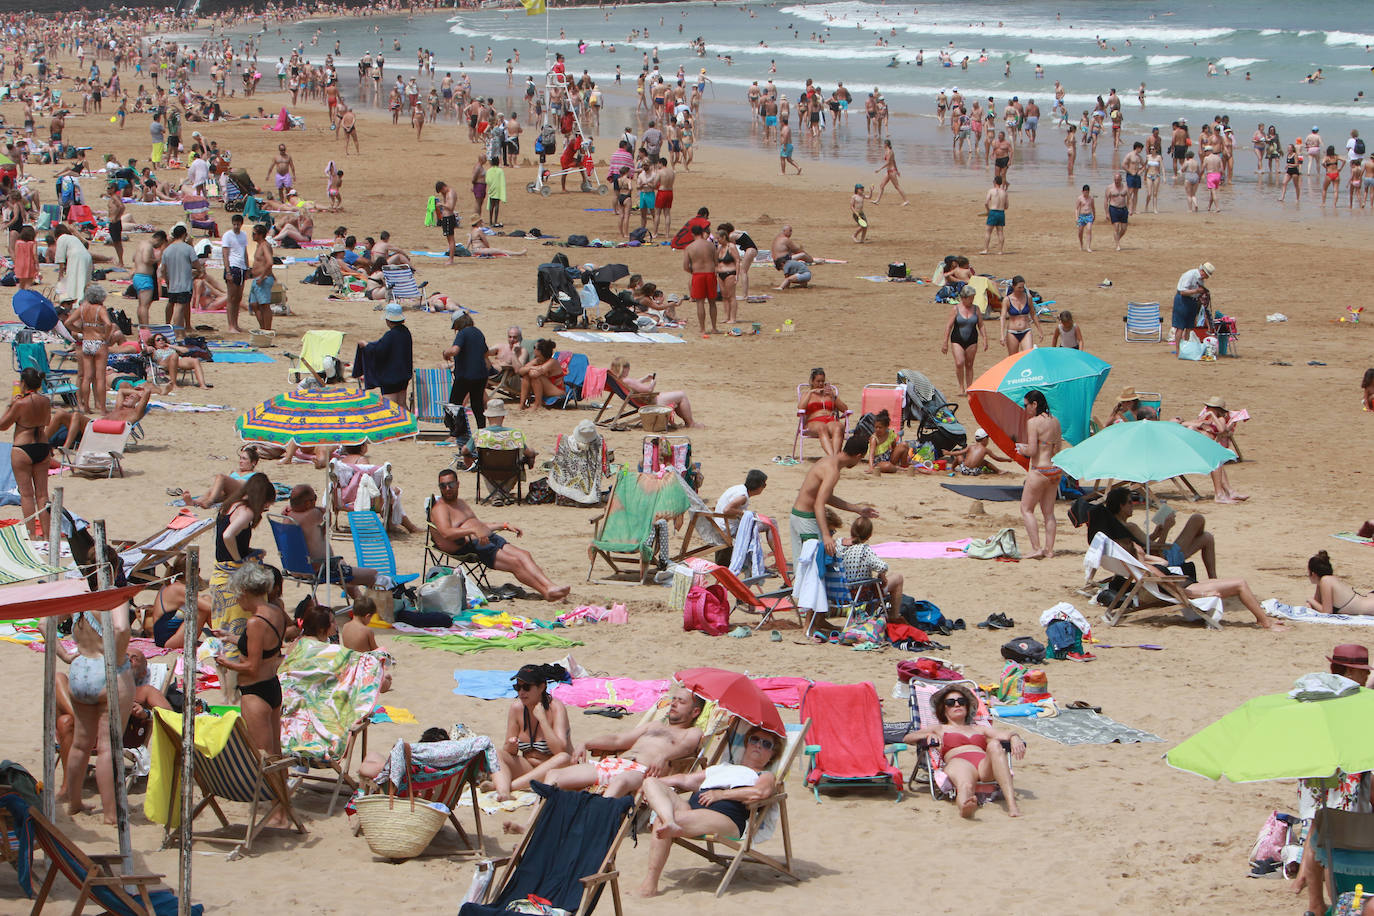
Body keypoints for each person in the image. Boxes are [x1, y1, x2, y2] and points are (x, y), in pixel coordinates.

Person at [637, 725, 782, 898]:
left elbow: (761, 793)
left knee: (661, 819)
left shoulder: (764, 776)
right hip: (692, 810)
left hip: (727, 818)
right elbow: (684, 779)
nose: (759, 745)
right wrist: (647, 785)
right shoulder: (723, 767)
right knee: (651, 782)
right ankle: (669, 820)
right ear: (747, 743)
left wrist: (721, 794)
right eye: (755, 740)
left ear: (772, 755)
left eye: (767, 744)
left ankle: (650, 884)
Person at [429, 468, 570, 601]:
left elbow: (479, 525)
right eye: (443, 486)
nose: (447, 489)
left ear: (458, 484)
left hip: (486, 537)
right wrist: (472, 531)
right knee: (515, 563)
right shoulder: (441, 508)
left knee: (524, 555)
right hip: (474, 546)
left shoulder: (461, 503)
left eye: (451, 484)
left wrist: (503, 525)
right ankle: (546, 592)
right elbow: (446, 533)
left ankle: (550, 585)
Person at [545, 686, 704, 798]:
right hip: (615, 764)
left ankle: (594, 819)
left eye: (681, 702)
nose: (673, 704)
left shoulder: (692, 732)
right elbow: (618, 740)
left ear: (695, 712)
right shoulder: (654, 725)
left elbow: (687, 746)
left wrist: (664, 756)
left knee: (620, 781)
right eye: (673, 699)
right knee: (554, 775)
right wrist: (586, 743)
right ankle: (532, 827)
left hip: (642, 773)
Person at [55, 604, 134, 824]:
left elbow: (45, 624)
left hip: (81, 668)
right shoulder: (112, 597)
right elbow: (121, 629)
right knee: (108, 747)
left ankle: (75, 802)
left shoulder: (79, 598)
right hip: (107, 668)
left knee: (81, 744)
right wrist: (117, 660)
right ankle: (110, 812)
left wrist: (64, 655)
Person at [904, 684, 1025, 818]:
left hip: (984, 766)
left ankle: (1012, 805)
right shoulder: (939, 729)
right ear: (943, 709)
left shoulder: (979, 728)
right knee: (966, 784)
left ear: (967, 706)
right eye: (950, 702)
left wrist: (1015, 737)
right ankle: (965, 807)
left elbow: (1004, 734)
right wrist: (926, 735)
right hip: (958, 762)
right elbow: (908, 738)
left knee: (995, 744)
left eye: (961, 701)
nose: (957, 705)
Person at [215, 563, 289, 772]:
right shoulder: (276, 611)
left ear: (246, 592)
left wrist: (224, 662)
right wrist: (231, 638)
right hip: (272, 686)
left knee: (262, 755)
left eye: (238, 595)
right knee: (276, 753)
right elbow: (265, 647)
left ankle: (274, 801)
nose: (237, 600)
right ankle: (282, 803)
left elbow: (251, 666)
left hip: (255, 692)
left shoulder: (254, 622)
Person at [208, 474, 275, 700]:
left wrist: (249, 552)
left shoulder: (229, 506)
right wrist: (241, 562)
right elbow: (229, 536)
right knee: (235, 634)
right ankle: (232, 694)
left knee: (222, 634)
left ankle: (225, 692)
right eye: (266, 503)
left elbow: (224, 539)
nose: (265, 508)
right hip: (231, 578)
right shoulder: (246, 510)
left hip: (219, 574)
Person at [1085, 486, 1218, 579]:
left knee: (1207, 537)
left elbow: (1142, 545)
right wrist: (1166, 529)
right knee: (1197, 519)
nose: (1133, 505)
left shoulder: (1116, 527)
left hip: (1149, 561)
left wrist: (1155, 533)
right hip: (1163, 561)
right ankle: (1213, 579)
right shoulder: (1130, 526)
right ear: (1121, 506)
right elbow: (1154, 549)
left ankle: (1213, 579)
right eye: (1130, 502)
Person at [791, 430, 878, 561]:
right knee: (811, 567)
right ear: (858, 456)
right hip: (805, 519)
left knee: (803, 565)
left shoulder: (828, 460)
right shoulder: (833, 471)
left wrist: (857, 509)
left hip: (797, 515)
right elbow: (819, 503)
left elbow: (827, 498)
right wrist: (826, 536)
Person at [283, 483, 379, 600]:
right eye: (315, 498)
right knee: (373, 575)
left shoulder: (287, 518)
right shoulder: (313, 515)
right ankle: (368, 610)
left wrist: (293, 507)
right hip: (320, 569)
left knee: (341, 564)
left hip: (295, 568)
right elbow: (327, 515)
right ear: (308, 503)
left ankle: (359, 599)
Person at [493, 663, 573, 800]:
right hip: (528, 768)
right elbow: (508, 752)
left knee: (563, 758)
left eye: (526, 687)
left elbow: (560, 751)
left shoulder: (556, 708)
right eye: (518, 687)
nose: (521, 692)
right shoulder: (516, 708)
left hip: (554, 771)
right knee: (496, 754)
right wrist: (511, 746)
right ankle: (503, 792)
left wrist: (543, 720)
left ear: (541, 687)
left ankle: (510, 787)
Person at [1, 368, 54, 538]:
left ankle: (31, 534)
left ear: (23, 383)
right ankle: (46, 535)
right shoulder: (45, 401)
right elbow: (47, 421)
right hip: (43, 446)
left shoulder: (20, 403)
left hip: (23, 448)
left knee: (26, 494)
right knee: (42, 494)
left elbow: (3, 425)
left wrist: (11, 404)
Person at [1016, 391, 1062, 560]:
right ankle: (1049, 550)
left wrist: (1022, 448)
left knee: (1026, 509)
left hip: (1039, 470)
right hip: (1054, 469)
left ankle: (1036, 548)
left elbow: (1032, 451)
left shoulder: (1033, 422)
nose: (1025, 408)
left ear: (1034, 404)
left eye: (1026, 405)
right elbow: (1058, 449)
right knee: (1048, 512)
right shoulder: (1055, 421)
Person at [838, 515, 904, 617]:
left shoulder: (839, 545)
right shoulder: (864, 550)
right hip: (861, 595)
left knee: (870, 585)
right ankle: (894, 617)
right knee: (898, 578)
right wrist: (882, 575)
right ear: (869, 535)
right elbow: (883, 566)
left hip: (841, 593)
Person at [1185, 396, 1246, 503]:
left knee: (1217, 462)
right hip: (1200, 448)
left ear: (1218, 410)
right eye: (1207, 406)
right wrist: (1201, 424)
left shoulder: (1220, 419)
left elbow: (1222, 429)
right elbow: (1184, 424)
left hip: (1208, 447)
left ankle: (1228, 492)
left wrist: (1212, 416)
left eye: (1210, 407)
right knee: (1216, 461)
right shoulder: (1204, 419)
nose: (1207, 408)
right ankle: (1222, 494)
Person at [64, 285, 114, 414]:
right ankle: (102, 408)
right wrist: (106, 336)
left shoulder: (82, 308)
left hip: (87, 341)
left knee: (86, 376)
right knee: (100, 377)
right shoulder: (100, 309)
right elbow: (109, 324)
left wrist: (80, 331)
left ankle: (86, 406)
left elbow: (68, 323)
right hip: (99, 342)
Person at [145, 555, 213, 650]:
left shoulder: (171, 584)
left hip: (164, 637)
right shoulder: (179, 589)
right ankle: (222, 637)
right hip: (168, 640)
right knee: (202, 609)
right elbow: (210, 608)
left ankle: (221, 635)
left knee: (206, 598)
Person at [609, 356, 697, 427]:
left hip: (645, 400)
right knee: (682, 395)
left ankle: (688, 422)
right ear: (624, 368)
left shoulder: (620, 380)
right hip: (652, 401)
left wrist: (644, 379)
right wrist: (653, 382)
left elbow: (633, 387)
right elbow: (649, 390)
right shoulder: (628, 380)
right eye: (628, 367)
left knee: (677, 397)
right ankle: (691, 423)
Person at [362, 303, 413, 408]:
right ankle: (408, 424)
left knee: (390, 406)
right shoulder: (405, 332)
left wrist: (366, 346)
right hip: (403, 375)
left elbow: (378, 350)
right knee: (402, 403)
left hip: (391, 378)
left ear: (388, 320)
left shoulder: (390, 335)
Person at [179, 445, 262, 509]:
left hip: (241, 492)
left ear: (253, 462)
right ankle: (195, 501)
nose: (240, 461)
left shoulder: (255, 475)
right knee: (217, 488)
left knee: (221, 477)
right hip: (228, 495)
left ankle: (209, 502)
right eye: (240, 458)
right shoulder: (234, 472)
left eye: (244, 459)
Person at [443, 312, 488, 429]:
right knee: (477, 405)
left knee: (454, 404)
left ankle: (455, 432)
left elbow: (455, 350)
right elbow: (486, 353)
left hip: (465, 375)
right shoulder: (478, 332)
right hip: (481, 375)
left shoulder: (462, 333)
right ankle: (481, 430)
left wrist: (445, 353)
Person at [942, 285, 986, 395]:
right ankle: (961, 386)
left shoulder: (976, 309)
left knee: (969, 364)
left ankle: (969, 387)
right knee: (959, 362)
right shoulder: (956, 309)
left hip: (972, 339)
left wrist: (985, 339)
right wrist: (945, 342)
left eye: (973, 297)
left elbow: (981, 325)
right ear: (964, 298)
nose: (972, 300)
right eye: (970, 298)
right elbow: (949, 326)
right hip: (957, 339)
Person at [159, 224, 201, 331]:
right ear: (184, 235)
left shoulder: (167, 250)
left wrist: (168, 281)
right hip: (184, 284)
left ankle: (168, 324)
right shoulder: (188, 248)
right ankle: (178, 328)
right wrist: (199, 271)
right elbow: (196, 264)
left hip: (172, 283)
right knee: (181, 306)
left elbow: (163, 269)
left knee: (171, 303)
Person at [798, 367, 847, 456]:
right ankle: (831, 456)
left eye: (822, 381)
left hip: (830, 420)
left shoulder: (830, 395)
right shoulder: (807, 395)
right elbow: (800, 408)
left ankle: (835, 456)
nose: (821, 384)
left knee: (838, 427)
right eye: (818, 381)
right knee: (822, 427)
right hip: (814, 422)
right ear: (812, 382)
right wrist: (810, 393)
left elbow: (845, 409)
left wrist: (833, 396)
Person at [1307, 551, 1374, 616]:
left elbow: (1327, 612)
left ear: (1313, 573)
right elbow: (1317, 603)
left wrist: (1310, 600)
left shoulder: (1326, 581)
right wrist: (1312, 602)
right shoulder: (1325, 581)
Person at [682, 223, 718, 334]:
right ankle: (714, 327)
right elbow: (716, 262)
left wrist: (693, 272)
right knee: (712, 302)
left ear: (692, 234)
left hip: (698, 275)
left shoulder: (690, 247)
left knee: (700, 303)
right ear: (702, 233)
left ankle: (702, 329)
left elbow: (685, 266)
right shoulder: (711, 245)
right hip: (710, 273)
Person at [147, 332, 211, 391]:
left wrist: (169, 345)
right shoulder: (154, 349)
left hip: (177, 360)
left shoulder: (170, 347)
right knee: (174, 355)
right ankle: (173, 384)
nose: (161, 340)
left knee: (195, 360)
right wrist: (149, 348)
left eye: (162, 339)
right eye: (158, 340)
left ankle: (202, 384)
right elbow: (146, 351)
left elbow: (185, 350)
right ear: (154, 343)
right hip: (163, 362)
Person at [1172, 262, 1214, 352]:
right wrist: (1196, 291)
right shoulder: (1190, 275)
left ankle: (1185, 349)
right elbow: (1182, 291)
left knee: (1189, 327)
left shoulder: (1200, 279)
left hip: (1193, 301)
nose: (1206, 278)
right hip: (1182, 300)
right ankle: (1178, 350)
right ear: (1203, 271)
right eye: (1206, 275)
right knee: (1180, 327)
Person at [516, 338, 565, 411]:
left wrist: (530, 369)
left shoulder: (552, 362)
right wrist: (532, 367)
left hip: (557, 391)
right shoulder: (538, 360)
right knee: (526, 376)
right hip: (546, 388)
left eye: (534, 348)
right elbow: (520, 371)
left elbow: (534, 374)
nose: (533, 350)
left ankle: (537, 404)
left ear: (540, 351)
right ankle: (522, 404)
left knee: (537, 377)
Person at [220, 213, 250, 333]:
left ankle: (236, 324)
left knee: (238, 297)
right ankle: (231, 325)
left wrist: (247, 268)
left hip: (242, 267)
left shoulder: (243, 235)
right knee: (231, 297)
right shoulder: (227, 235)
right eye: (234, 224)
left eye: (238, 224)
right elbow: (225, 254)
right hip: (233, 267)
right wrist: (227, 271)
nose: (236, 226)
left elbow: (245, 252)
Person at [999, 275, 1040, 355]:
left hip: (1026, 330)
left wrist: (1039, 329)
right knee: (1013, 359)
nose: (1021, 290)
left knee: (1028, 355)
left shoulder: (1028, 297)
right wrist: (1002, 334)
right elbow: (1003, 317)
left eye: (1023, 287)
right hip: (1012, 331)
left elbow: (1033, 314)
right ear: (1013, 286)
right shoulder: (1007, 300)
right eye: (1019, 288)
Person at [871, 139, 909, 206]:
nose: (883, 145)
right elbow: (894, 161)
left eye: (884, 144)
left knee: (897, 186)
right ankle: (877, 200)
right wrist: (897, 171)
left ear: (886, 144)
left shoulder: (889, 152)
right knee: (882, 185)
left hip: (891, 171)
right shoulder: (890, 151)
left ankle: (906, 200)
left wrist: (879, 169)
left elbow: (888, 163)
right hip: (889, 171)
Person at [981, 175, 1008, 255]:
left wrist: (988, 211)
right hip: (1001, 212)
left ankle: (985, 249)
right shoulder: (1004, 192)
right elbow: (1006, 206)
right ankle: (1000, 251)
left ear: (994, 182)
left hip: (993, 212)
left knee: (988, 232)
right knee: (1000, 232)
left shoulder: (991, 191)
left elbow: (986, 203)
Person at [1105, 172, 1129, 251]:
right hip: (1113, 208)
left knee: (1124, 228)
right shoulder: (1110, 187)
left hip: (1123, 209)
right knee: (1116, 227)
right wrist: (1107, 213)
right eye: (1115, 180)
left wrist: (1131, 208)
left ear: (1121, 179)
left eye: (1118, 180)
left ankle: (1117, 238)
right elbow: (1106, 200)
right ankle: (1117, 245)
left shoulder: (1125, 187)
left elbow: (1129, 197)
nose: (1116, 181)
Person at [1074, 184, 1096, 252]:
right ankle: (1081, 244)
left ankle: (1088, 247)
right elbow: (1076, 209)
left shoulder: (1091, 198)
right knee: (1080, 232)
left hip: (1089, 215)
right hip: (1082, 216)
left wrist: (1094, 215)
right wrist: (1076, 218)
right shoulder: (1080, 198)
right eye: (1085, 192)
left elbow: (1093, 207)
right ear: (1082, 191)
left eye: (1087, 192)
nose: (1086, 193)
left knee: (1089, 230)